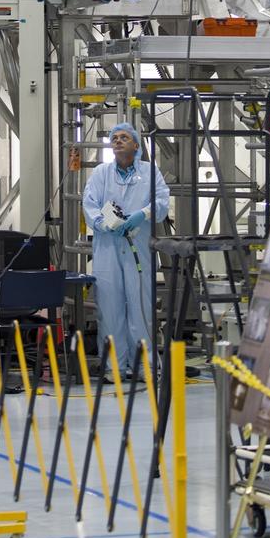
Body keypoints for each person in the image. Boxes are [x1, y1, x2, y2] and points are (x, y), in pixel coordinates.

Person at [82, 122, 169, 378]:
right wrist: (100, 222)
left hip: (138, 247)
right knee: (110, 309)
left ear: (136, 145)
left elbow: (162, 202)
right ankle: (114, 368)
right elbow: (89, 203)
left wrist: (142, 215)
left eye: (124, 137)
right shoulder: (101, 173)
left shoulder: (150, 172)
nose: (118, 141)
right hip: (108, 248)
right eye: (115, 138)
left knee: (141, 308)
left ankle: (145, 365)